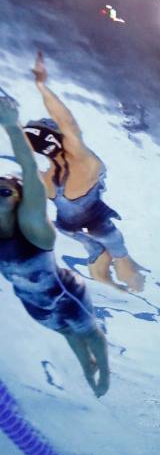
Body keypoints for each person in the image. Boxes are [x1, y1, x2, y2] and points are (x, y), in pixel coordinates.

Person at [0, 89, 109, 396]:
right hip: (35, 306)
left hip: (66, 297)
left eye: (4, 192)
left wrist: (10, 125)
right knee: (67, 335)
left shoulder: (33, 229)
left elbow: (29, 172)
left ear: (21, 200)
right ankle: (88, 370)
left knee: (91, 336)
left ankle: (104, 378)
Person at [24, 52, 145, 292]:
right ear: (59, 137)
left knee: (98, 270)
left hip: (67, 227)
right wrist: (41, 86)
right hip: (100, 226)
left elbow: (24, 146)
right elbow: (67, 121)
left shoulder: (45, 179)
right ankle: (134, 286)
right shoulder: (83, 161)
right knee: (125, 263)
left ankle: (114, 286)